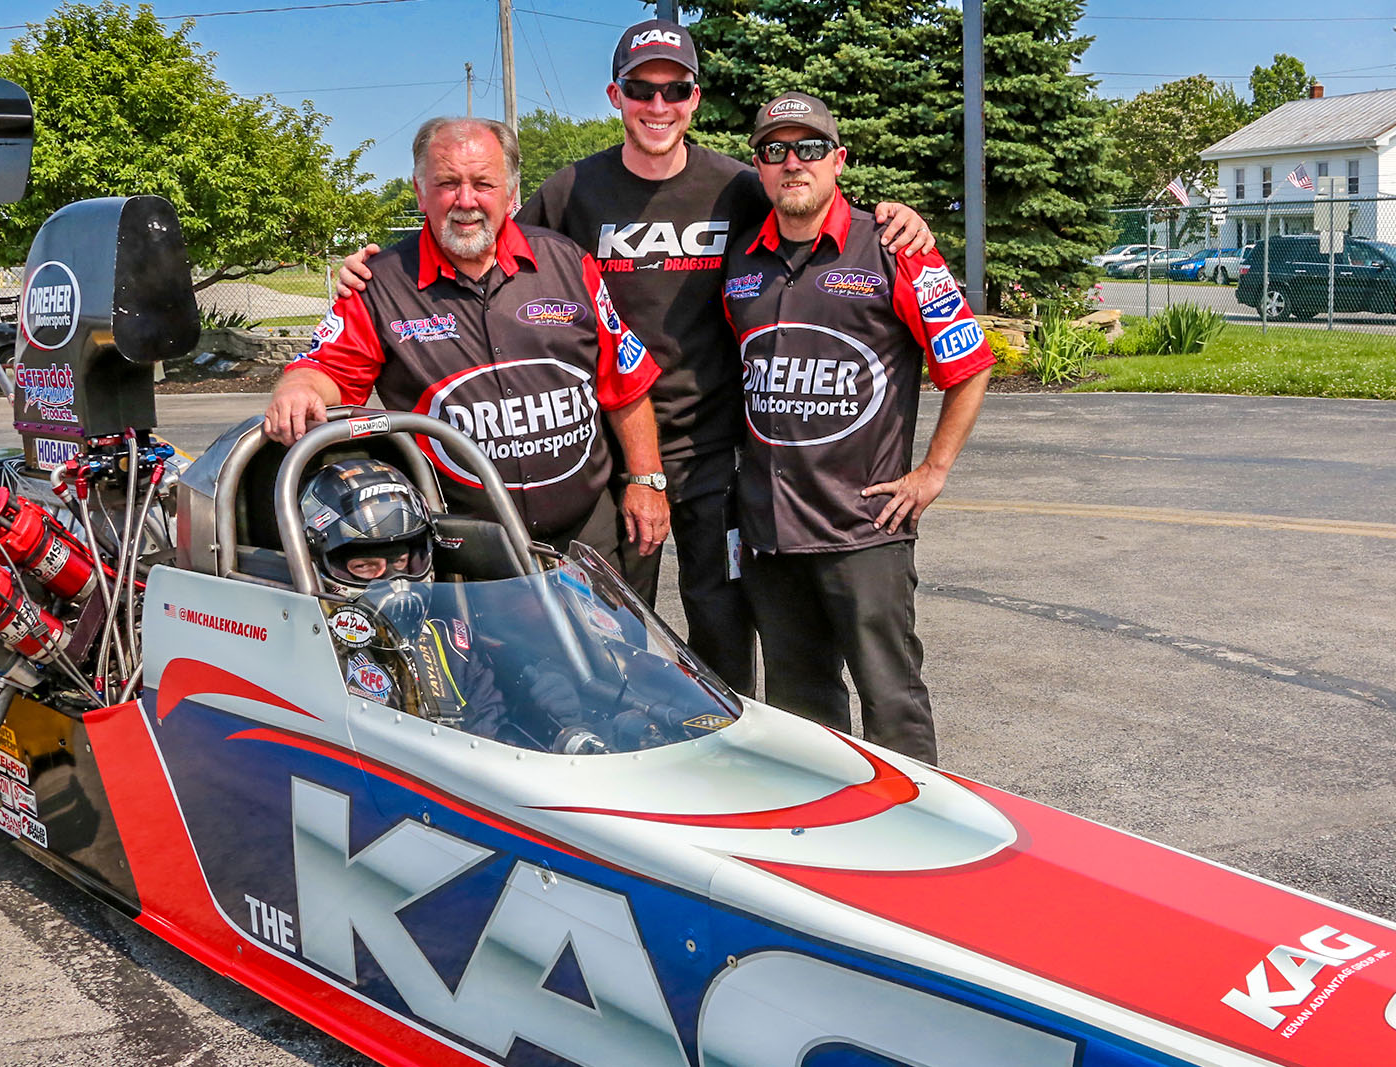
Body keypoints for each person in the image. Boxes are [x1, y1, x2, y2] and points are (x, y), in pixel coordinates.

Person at [336, 19, 938, 696]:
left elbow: (811, 209)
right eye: (640, 89)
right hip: (618, 453)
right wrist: (375, 269)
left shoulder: (738, 187)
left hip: (717, 452)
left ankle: (723, 765)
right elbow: (486, 239)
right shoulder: (572, 192)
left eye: (674, 89)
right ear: (615, 96)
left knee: (722, 622)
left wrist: (897, 218)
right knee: (616, 621)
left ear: (695, 99)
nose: (658, 105)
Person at [720, 92, 994, 765]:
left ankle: (928, 847)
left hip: (862, 528)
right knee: (801, 713)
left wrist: (933, 471)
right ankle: (825, 845)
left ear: (838, 159)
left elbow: (970, 364)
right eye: (775, 149)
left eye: (809, 148)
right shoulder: (740, 262)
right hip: (772, 535)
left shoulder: (895, 247)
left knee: (891, 701)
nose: (793, 162)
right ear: (758, 165)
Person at [266, 116, 669, 570]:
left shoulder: (568, 263)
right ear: (419, 191)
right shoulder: (378, 285)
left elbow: (625, 382)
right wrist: (298, 388)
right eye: (446, 183)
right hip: (466, 552)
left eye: (483, 183)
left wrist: (647, 479)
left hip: (591, 532)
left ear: (512, 194)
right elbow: (327, 370)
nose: (466, 201)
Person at [301, 458, 581, 743]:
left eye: (400, 560)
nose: (393, 580)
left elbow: (491, 735)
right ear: (324, 564)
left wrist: (540, 716)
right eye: (365, 566)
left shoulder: (452, 644)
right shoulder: (308, 650)